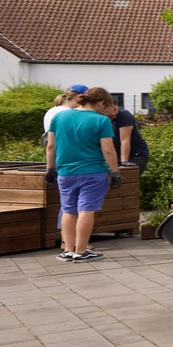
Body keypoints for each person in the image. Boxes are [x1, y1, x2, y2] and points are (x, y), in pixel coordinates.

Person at [46, 87, 120, 263]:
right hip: (93, 172)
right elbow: (108, 150)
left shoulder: (59, 117)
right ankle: (81, 251)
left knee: (68, 210)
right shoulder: (101, 121)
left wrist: (50, 169)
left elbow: (50, 146)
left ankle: (68, 250)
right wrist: (115, 172)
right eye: (106, 106)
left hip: (65, 172)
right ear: (101, 103)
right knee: (86, 210)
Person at [98, 97, 149, 170]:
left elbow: (124, 139)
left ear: (117, 106)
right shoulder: (101, 118)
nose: (113, 113)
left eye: (115, 109)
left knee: (126, 177)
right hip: (117, 154)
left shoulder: (124, 115)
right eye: (110, 111)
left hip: (136, 155)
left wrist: (124, 162)